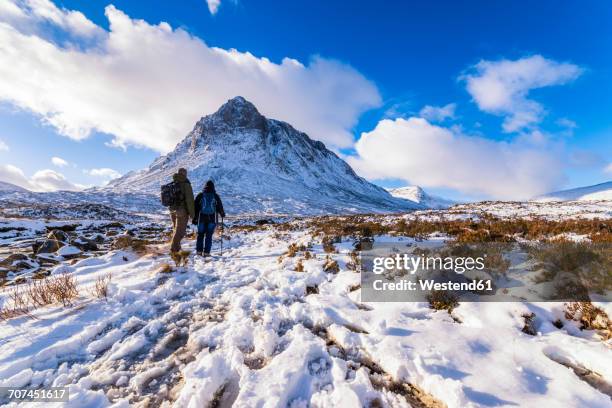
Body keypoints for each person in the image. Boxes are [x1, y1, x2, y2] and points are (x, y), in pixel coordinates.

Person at [193, 180, 225, 256]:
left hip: (201, 218)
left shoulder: (200, 195)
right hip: (212, 218)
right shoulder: (215, 195)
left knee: (200, 235)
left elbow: (195, 207)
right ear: (213, 187)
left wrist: (195, 218)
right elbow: (220, 206)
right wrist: (222, 214)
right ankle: (207, 252)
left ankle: (199, 252)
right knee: (209, 235)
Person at [169, 168, 195, 255]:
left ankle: (177, 247)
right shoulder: (186, 184)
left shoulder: (173, 183)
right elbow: (190, 201)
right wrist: (192, 215)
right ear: (185, 174)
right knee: (181, 231)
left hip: (172, 210)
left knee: (176, 229)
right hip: (182, 211)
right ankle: (174, 250)